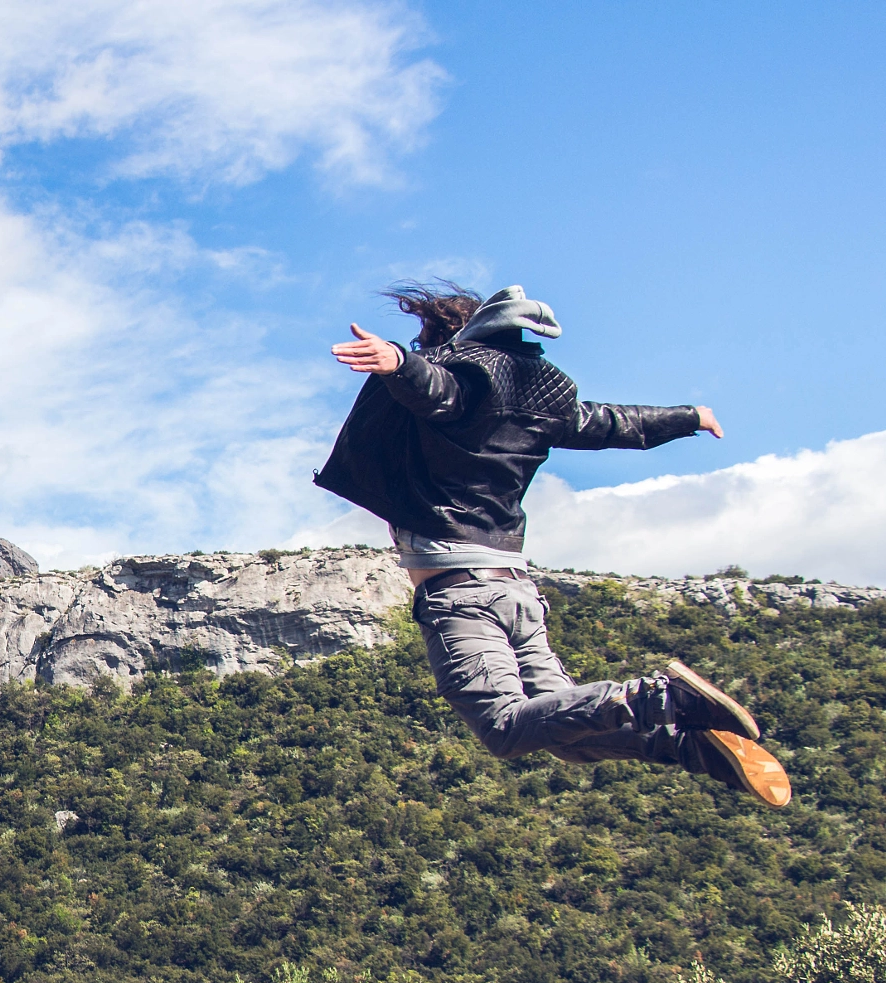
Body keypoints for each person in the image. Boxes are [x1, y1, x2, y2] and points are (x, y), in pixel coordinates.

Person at [315, 283, 789, 807]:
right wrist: (688, 416)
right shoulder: (541, 408)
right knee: (570, 737)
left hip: (462, 594)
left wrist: (398, 361)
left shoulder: (460, 392)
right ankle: (694, 747)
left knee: (504, 727)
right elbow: (615, 424)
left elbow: (435, 389)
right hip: (515, 590)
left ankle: (657, 698)